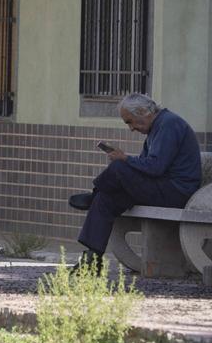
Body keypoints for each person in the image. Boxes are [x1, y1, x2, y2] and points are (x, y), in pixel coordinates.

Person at [67, 93, 202, 272]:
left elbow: (155, 167)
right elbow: (147, 166)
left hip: (176, 191)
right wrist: (126, 162)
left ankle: (94, 194)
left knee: (119, 168)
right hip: (161, 187)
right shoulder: (157, 127)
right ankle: (92, 259)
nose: (131, 128)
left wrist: (125, 159)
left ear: (142, 111)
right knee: (106, 198)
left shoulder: (169, 124)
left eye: (130, 121)